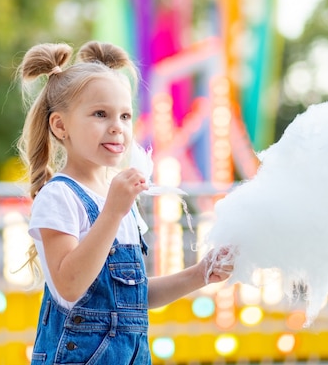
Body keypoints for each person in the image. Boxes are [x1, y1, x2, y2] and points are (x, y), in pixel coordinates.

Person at [16, 40, 234, 365]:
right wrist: (113, 212)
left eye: (125, 115)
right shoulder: (59, 196)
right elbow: (70, 286)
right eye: (100, 114)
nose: (117, 127)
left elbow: (131, 300)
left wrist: (200, 274)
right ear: (61, 126)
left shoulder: (120, 200)